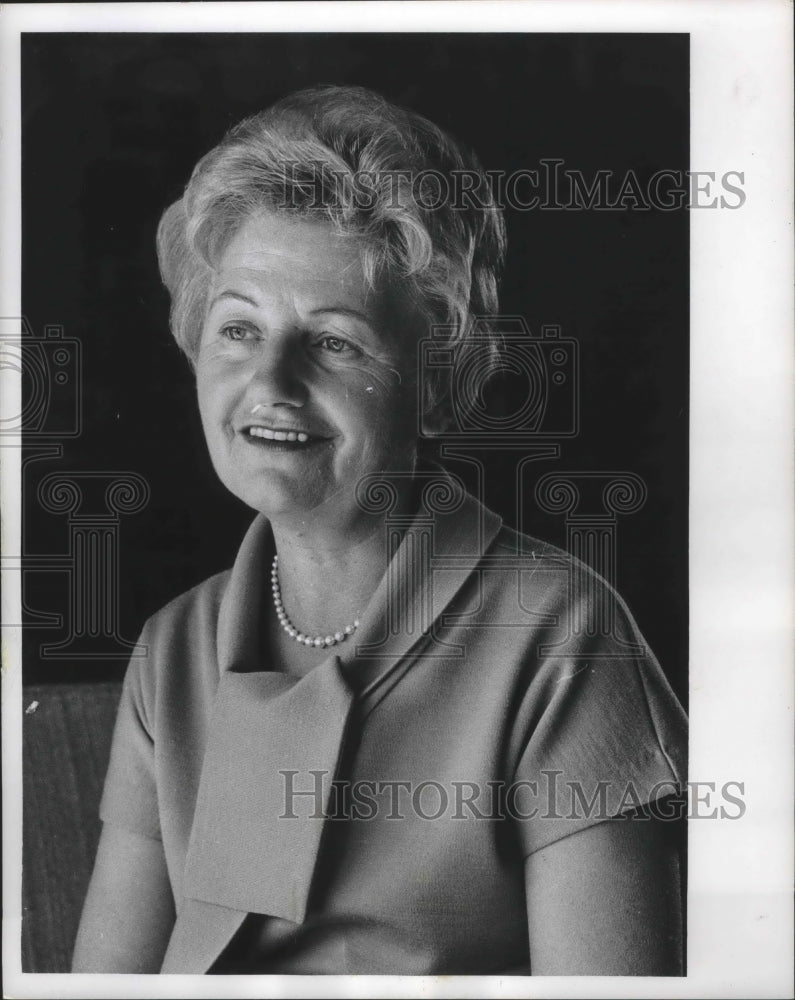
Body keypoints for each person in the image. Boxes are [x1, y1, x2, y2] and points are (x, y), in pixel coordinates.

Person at [73, 84, 687, 976]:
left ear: (438, 380)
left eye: (334, 342)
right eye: (238, 328)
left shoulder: (562, 639)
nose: (270, 383)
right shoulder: (172, 652)